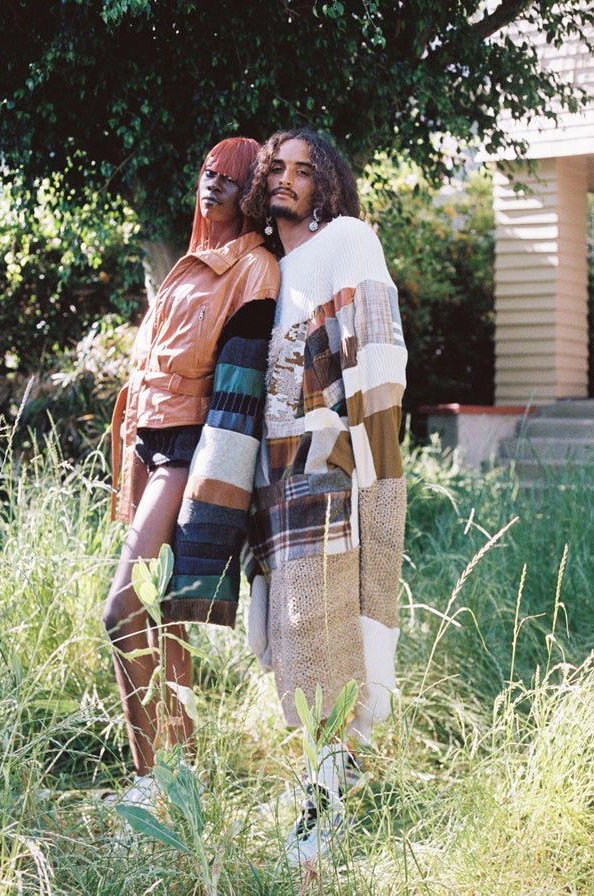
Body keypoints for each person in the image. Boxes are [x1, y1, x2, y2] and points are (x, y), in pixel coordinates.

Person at [240, 129, 407, 864]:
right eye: (276, 167)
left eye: (304, 170)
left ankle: (325, 805)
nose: (287, 178)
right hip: (273, 483)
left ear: (326, 185)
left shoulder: (346, 240)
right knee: (295, 642)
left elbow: (379, 348)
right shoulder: (267, 270)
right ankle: (330, 778)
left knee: (320, 633)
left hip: (330, 468)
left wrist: (366, 462)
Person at [103, 137, 280, 806]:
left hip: (187, 451)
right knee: (162, 615)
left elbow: (237, 389)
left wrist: (213, 491)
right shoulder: (190, 263)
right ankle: (181, 783)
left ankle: (148, 781)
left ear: (251, 194)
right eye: (208, 172)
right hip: (148, 447)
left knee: (121, 610)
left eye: (231, 179)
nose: (213, 185)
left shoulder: (254, 267)